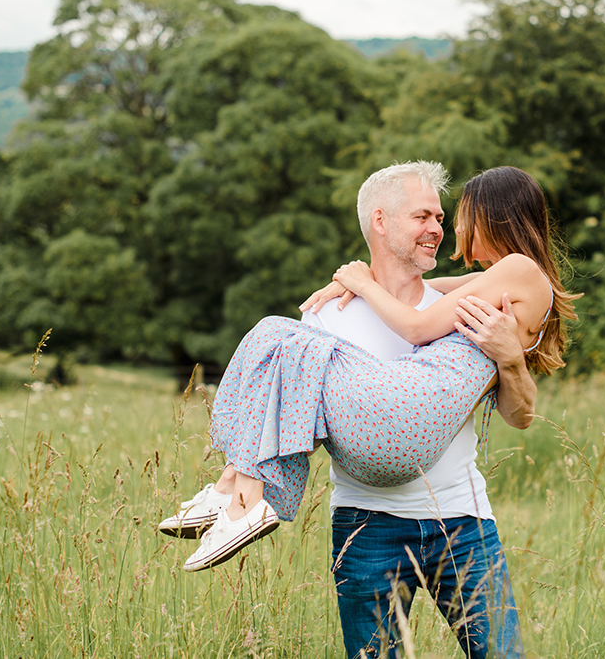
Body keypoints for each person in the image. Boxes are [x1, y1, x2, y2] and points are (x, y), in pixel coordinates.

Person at [161, 162, 577, 657]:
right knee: (289, 349)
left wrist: (511, 360)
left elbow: (519, 414)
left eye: (451, 217)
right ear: (381, 220)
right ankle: (237, 489)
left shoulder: (505, 281)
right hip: (367, 523)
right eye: (426, 215)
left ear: (495, 217)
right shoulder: (354, 309)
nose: (447, 229)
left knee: (275, 336)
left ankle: (240, 493)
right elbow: (305, 416)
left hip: (461, 520)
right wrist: (353, 283)